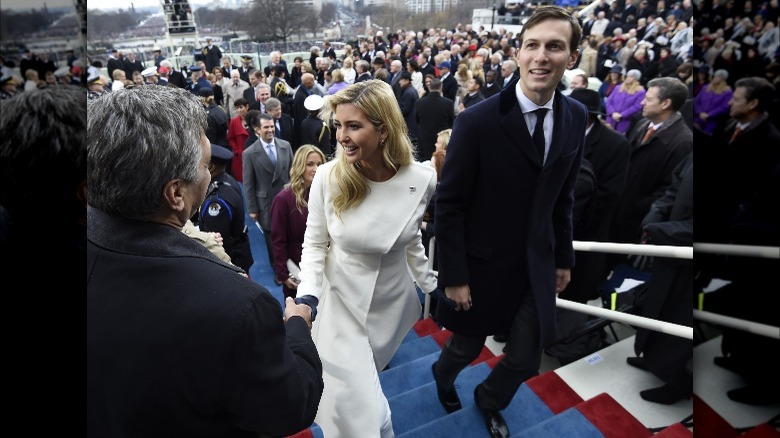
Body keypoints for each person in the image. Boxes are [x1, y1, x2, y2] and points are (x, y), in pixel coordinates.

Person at [86, 86, 323, 436]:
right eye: (203, 165)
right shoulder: (239, 305)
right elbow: (293, 405)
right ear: (176, 194)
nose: (210, 174)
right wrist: (298, 327)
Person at [431, 7, 587, 438]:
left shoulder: (576, 116)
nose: (541, 56)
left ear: (571, 57)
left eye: (554, 46)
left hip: (536, 264)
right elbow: (450, 204)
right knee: (464, 347)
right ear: (517, 54)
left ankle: (489, 400)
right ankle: (442, 377)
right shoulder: (476, 121)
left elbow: (563, 198)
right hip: (480, 268)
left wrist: (564, 257)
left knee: (524, 358)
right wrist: (455, 275)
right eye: (532, 45)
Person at [294, 80, 438, 438]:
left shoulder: (422, 178)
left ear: (384, 130)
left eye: (353, 126)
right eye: (339, 125)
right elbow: (314, 244)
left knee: (367, 397)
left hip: (388, 308)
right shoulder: (328, 176)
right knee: (363, 420)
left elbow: (411, 239)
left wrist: (431, 283)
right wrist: (307, 298)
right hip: (339, 307)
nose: (341, 136)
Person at [626, 151, 693, 405]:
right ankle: (652, 357)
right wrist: (654, 218)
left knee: (679, 321)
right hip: (668, 248)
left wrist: (660, 230)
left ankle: (677, 384)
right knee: (657, 307)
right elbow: (673, 190)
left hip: (689, 261)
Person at [270, 145, 326, 300]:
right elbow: (278, 240)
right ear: (300, 166)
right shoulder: (283, 199)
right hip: (296, 269)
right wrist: (283, 274)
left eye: (320, 164)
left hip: (322, 268)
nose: (316, 169)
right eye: (310, 164)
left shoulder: (325, 195)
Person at [242, 113, 293, 270]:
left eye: (272, 126)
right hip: (266, 203)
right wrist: (252, 209)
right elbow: (248, 183)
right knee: (272, 239)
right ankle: (279, 269)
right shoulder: (249, 153)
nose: (270, 130)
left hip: (287, 200)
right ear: (257, 130)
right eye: (266, 127)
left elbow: (293, 173)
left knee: (290, 233)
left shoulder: (286, 146)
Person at [197, 144, 254, 272]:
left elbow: (216, 244)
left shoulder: (216, 202)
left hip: (230, 263)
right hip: (239, 251)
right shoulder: (228, 180)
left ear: (211, 167)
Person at [415, 78, 455, 163]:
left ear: (429, 87)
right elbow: (451, 122)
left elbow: (417, 120)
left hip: (424, 138)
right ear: (441, 88)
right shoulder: (448, 103)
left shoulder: (419, 102)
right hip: (441, 140)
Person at [606, 69, 646, 135]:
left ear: (636, 79)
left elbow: (637, 107)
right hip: (611, 119)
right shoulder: (618, 87)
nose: (627, 78)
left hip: (624, 122)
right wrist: (612, 113)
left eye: (631, 76)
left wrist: (621, 115)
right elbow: (609, 101)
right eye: (627, 76)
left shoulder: (640, 91)